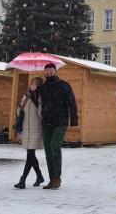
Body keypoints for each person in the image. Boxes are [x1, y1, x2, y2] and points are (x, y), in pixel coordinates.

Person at [39, 62, 78, 190]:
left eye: (51, 73)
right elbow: (36, 102)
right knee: (48, 150)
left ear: (56, 72)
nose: (49, 75)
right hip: (46, 122)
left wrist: (74, 120)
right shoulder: (43, 88)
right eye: (47, 74)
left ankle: (57, 176)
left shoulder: (64, 86)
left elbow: (72, 103)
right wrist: (31, 92)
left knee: (55, 146)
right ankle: (52, 179)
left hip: (60, 121)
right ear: (44, 73)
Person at [14, 77, 45, 189]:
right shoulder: (26, 95)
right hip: (26, 129)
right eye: (31, 83)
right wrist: (21, 105)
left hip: (35, 129)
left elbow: (41, 115)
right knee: (31, 155)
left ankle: (23, 180)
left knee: (30, 155)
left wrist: (39, 104)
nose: (32, 85)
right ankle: (39, 176)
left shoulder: (40, 97)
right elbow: (19, 113)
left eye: (35, 84)